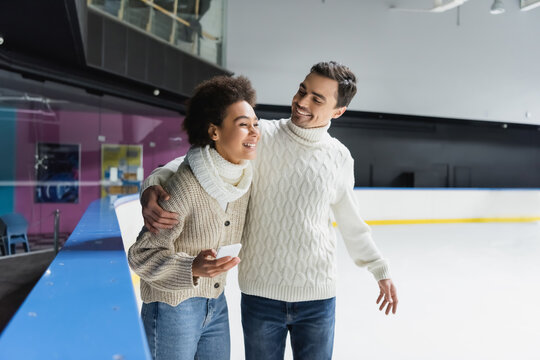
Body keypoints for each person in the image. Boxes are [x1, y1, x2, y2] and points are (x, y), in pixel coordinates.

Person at [140, 61, 398, 360]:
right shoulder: (261, 136)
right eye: (303, 90)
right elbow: (202, 161)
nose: (302, 102)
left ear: (337, 111)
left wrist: (379, 268)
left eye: (317, 98)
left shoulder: (339, 157)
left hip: (317, 296)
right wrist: (153, 182)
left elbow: (352, 223)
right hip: (261, 295)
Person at [128, 75, 260, 360]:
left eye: (255, 124)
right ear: (214, 132)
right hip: (172, 307)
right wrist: (192, 268)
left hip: (216, 301)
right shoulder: (185, 186)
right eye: (243, 125)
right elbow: (141, 255)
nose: (254, 132)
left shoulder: (243, 178)